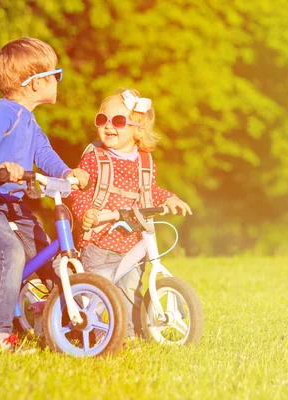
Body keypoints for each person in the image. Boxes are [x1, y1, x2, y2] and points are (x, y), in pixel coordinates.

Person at [0, 37, 89, 353]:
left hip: (10, 203)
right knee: (12, 252)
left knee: (48, 255)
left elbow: (43, 153)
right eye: (55, 73)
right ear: (33, 83)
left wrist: (67, 173)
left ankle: (67, 319)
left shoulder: (29, 120)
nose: (58, 79)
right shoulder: (3, 113)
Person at [71, 88, 192, 341]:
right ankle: (94, 335)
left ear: (138, 130)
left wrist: (170, 198)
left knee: (129, 289)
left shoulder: (145, 162)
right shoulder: (95, 158)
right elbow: (78, 191)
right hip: (98, 242)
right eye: (102, 120)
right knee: (95, 295)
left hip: (132, 242)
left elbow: (150, 190)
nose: (108, 126)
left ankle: (127, 336)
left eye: (117, 121)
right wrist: (86, 213)